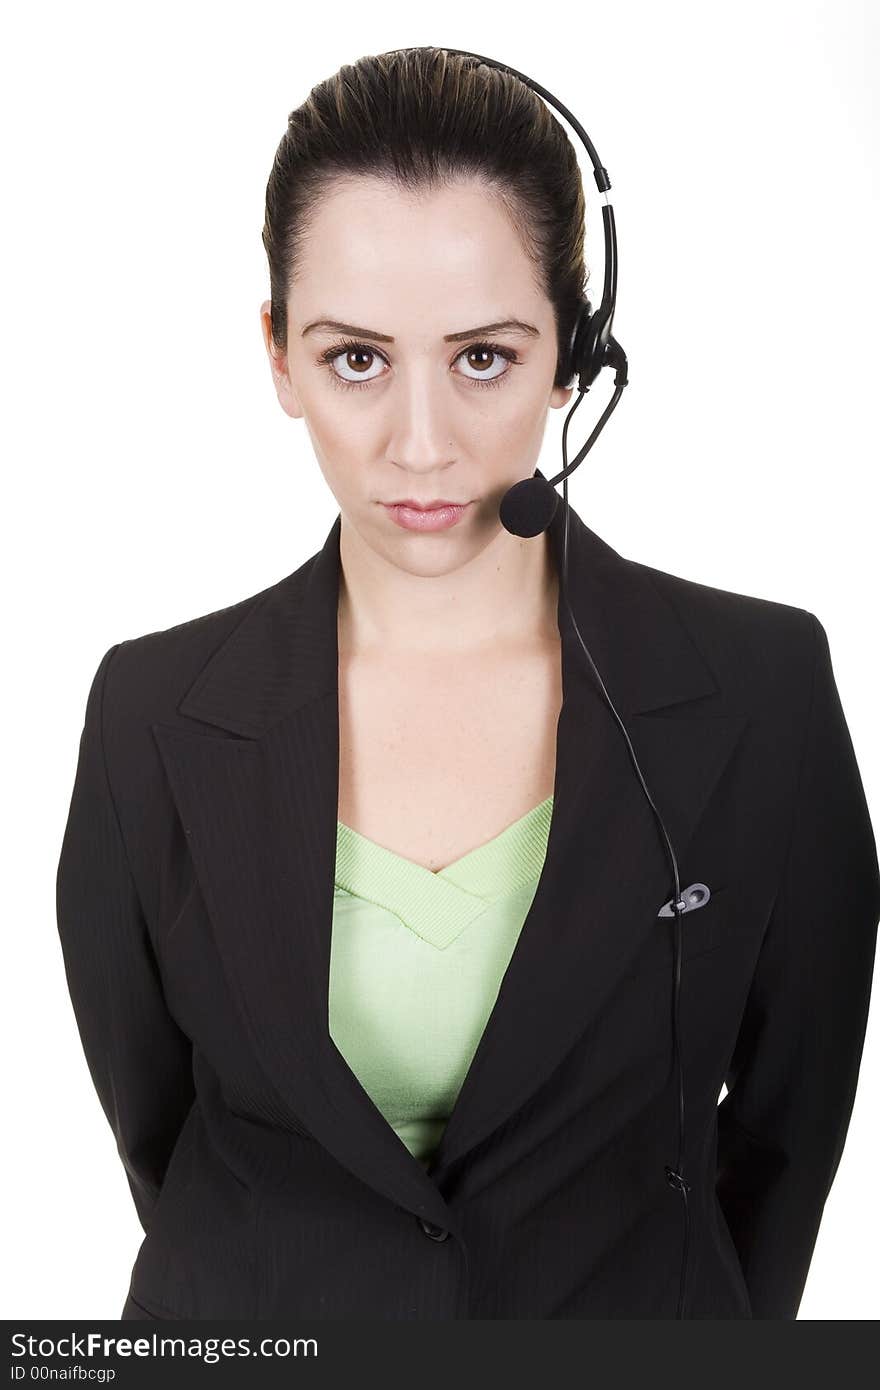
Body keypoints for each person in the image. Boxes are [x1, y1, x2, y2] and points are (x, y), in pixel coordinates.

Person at [55, 46, 880, 1321]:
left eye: (483, 357)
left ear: (575, 355)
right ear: (277, 356)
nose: (421, 443)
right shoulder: (149, 715)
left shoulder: (763, 692)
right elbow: (164, 1139)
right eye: (356, 359)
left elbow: (786, 1142)